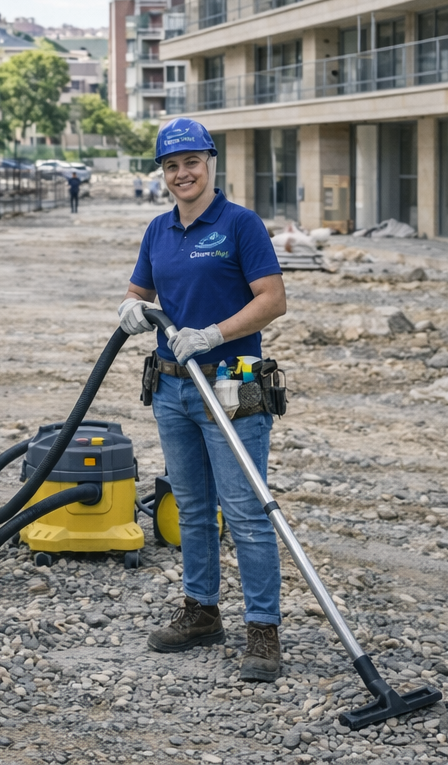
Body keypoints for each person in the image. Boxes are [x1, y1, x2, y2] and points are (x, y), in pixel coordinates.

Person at [117, 117, 288, 683]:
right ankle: (201, 611)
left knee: (246, 510)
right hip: (171, 383)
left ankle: (263, 630)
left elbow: (273, 299)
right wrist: (133, 310)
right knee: (192, 507)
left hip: (233, 377)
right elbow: (140, 292)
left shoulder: (240, 224)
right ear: (163, 173)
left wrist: (214, 333)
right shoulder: (158, 230)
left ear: (210, 163)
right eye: (171, 165)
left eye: (191, 162)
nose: (181, 173)